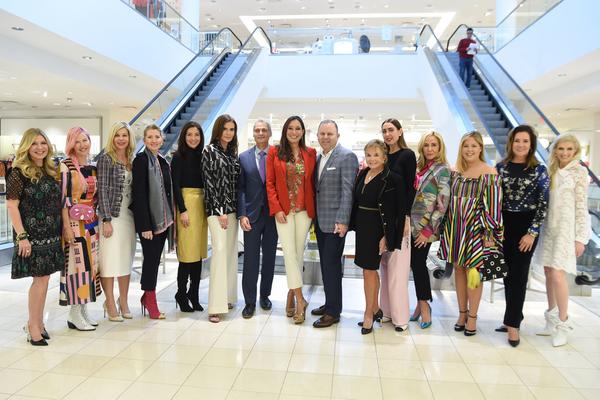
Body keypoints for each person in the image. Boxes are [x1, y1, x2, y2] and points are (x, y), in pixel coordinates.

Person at [438, 131, 503, 337]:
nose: (469, 150)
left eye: (474, 146)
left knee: (473, 273)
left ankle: (473, 317)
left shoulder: (489, 172)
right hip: (455, 228)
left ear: (481, 148)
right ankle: (462, 313)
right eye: (466, 146)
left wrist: (490, 232)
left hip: (477, 229)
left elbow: (493, 206)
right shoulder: (456, 171)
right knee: (458, 270)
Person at [7, 128, 64, 345]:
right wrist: (22, 236)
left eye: (43, 143)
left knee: (45, 278)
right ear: (26, 147)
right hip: (30, 234)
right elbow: (12, 206)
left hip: (51, 233)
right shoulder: (18, 172)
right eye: (34, 143)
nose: (39, 147)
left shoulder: (51, 169)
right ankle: (32, 326)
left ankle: (38, 323)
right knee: (39, 280)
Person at [494, 125, 549, 347]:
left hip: (526, 226)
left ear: (531, 145)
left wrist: (532, 232)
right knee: (507, 274)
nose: (521, 145)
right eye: (518, 141)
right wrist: (497, 228)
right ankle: (510, 318)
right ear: (511, 143)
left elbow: (544, 204)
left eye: (525, 141)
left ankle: (514, 324)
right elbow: (495, 200)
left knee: (519, 276)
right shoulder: (501, 168)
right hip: (505, 225)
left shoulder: (539, 170)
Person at [535, 134, 590, 347]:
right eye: (561, 149)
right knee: (548, 272)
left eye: (569, 149)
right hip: (549, 227)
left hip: (567, 230)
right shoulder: (550, 170)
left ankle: (563, 324)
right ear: (555, 150)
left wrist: (580, 238)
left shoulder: (579, 172)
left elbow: (581, 207)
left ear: (575, 151)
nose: (564, 153)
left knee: (558, 274)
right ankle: (551, 318)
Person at [351, 139, 406, 335]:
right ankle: (375, 309)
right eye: (369, 155)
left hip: (378, 229)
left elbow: (398, 211)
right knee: (370, 271)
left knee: (369, 270)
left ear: (384, 157)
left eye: (376, 155)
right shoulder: (363, 174)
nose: (372, 159)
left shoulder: (393, 178)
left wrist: (387, 236)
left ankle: (368, 313)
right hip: (363, 228)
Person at [266, 115, 317, 324]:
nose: (294, 132)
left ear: (303, 132)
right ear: (285, 130)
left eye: (298, 128)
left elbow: (313, 182)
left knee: (297, 254)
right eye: (290, 128)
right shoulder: (274, 152)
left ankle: (290, 294)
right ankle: (299, 299)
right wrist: (276, 208)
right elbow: (269, 183)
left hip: (304, 212)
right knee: (288, 253)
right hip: (284, 212)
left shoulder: (311, 153)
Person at [311, 120, 358, 328]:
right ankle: (330, 303)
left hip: (335, 223)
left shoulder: (347, 156)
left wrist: (343, 220)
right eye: (322, 133)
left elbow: (348, 191)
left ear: (338, 135)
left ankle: (333, 312)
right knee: (326, 265)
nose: (325, 137)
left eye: (330, 133)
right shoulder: (319, 157)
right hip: (320, 222)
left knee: (331, 266)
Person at [59, 127, 100, 331]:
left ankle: (82, 309)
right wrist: (66, 227)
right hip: (74, 225)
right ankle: (74, 312)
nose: (83, 145)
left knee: (89, 266)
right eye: (78, 141)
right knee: (77, 267)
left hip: (91, 222)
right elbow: (63, 201)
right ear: (71, 144)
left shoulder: (92, 167)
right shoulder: (65, 166)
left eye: (85, 140)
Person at [131, 124, 174, 320]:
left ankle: (146, 297)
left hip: (163, 220)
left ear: (162, 139)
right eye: (150, 137)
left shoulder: (163, 161)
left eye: (157, 136)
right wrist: (145, 226)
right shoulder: (141, 161)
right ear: (144, 140)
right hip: (150, 223)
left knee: (154, 261)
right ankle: (151, 302)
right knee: (150, 262)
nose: (154, 140)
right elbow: (139, 194)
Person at [409, 132, 451, 330]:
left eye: (434, 145)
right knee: (415, 265)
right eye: (427, 145)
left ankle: (425, 306)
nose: (430, 148)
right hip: (411, 226)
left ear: (440, 147)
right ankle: (419, 304)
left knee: (418, 265)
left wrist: (427, 232)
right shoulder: (420, 168)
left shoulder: (443, 170)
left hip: (425, 229)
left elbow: (442, 205)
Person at [202, 114, 241, 323]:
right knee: (218, 254)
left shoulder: (232, 153)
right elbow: (209, 184)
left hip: (233, 211)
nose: (228, 133)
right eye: (225, 129)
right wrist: (220, 210)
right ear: (218, 130)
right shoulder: (209, 151)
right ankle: (214, 307)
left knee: (230, 254)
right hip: (217, 212)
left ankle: (227, 297)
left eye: (232, 129)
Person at [237, 120, 278, 319]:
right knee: (251, 259)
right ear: (253, 133)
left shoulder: (278, 155)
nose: (260, 133)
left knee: (269, 257)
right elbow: (241, 188)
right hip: (251, 216)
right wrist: (242, 213)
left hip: (273, 215)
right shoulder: (243, 157)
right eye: (257, 130)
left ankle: (265, 296)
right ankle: (250, 301)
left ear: (269, 133)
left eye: (264, 130)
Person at [97, 122, 137, 322]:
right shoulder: (105, 159)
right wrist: (106, 219)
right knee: (109, 261)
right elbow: (102, 190)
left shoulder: (132, 160)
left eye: (125, 135)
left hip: (129, 217)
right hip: (111, 216)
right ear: (112, 138)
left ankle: (124, 301)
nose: (121, 139)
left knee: (125, 260)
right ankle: (110, 302)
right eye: (117, 135)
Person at [380, 118, 416, 331]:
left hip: (400, 218)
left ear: (400, 132)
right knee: (385, 268)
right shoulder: (383, 156)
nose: (387, 134)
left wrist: (404, 218)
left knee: (399, 270)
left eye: (391, 130)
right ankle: (386, 311)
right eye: (384, 131)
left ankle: (400, 318)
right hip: (383, 217)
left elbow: (410, 189)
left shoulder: (407, 155)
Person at [171, 121, 208, 312]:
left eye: (197, 135)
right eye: (189, 134)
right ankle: (181, 292)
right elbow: (175, 186)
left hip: (202, 205)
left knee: (199, 253)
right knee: (187, 254)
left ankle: (194, 293)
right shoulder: (178, 157)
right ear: (184, 137)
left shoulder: (203, 157)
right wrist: (183, 210)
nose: (193, 138)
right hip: (187, 204)